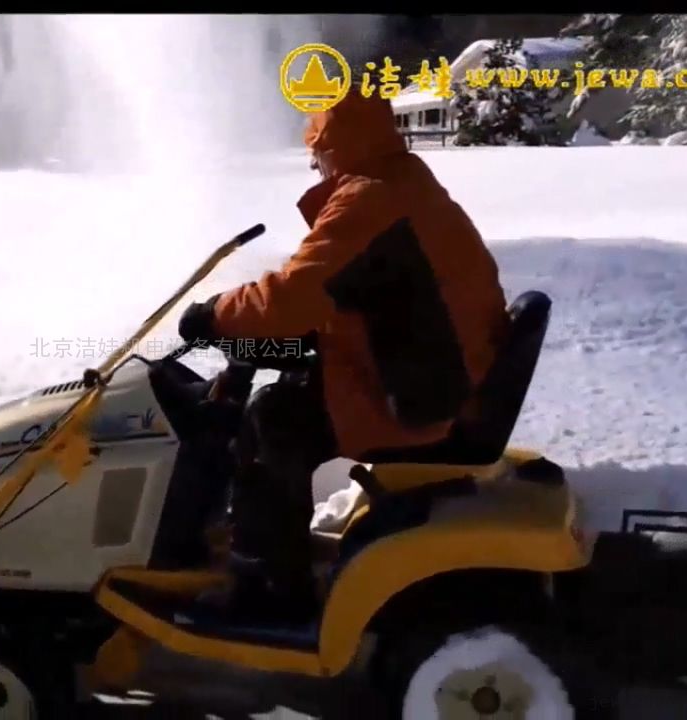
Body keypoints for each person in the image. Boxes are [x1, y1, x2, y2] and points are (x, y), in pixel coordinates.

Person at [177, 91, 511, 623]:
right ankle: (272, 552)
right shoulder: (404, 184)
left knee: (272, 419)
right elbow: (361, 290)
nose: (313, 163)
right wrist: (298, 339)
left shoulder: (370, 200)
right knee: (288, 398)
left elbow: (291, 298)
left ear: (339, 148)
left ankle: (270, 590)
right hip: (436, 369)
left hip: (426, 398)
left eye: (318, 151)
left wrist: (212, 314)